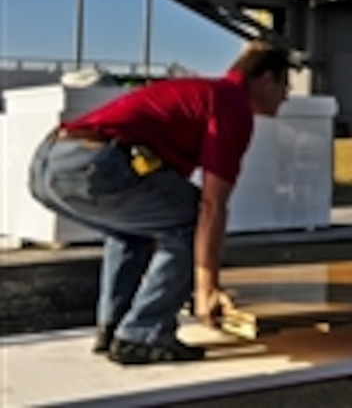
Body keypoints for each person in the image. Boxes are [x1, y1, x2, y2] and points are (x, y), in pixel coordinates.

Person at [27, 41, 292, 365]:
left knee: (133, 230)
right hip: (93, 166)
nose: (287, 96)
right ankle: (142, 333)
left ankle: (114, 326)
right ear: (266, 79)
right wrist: (207, 287)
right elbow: (211, 205)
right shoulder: (232, 103)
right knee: (191, 219)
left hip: (48, 165)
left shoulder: (200, 93)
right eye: (284, 85)